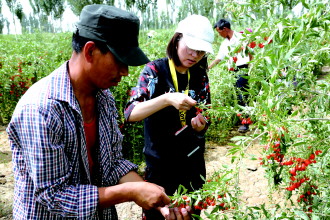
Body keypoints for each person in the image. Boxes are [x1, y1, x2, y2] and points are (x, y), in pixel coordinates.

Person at [6, 5, 191, 220]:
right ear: (90, 51)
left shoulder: (103, 98)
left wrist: (154, 196)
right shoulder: (40, 109)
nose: (125, 72)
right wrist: (130, 192)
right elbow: (54, 196)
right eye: (120, 61)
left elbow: (112, 162)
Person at [124, 14, 214, 219]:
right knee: (160, 214)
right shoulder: (154, 71)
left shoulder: (199, 75)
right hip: (160, 165)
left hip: (192, 163)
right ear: (177, 39)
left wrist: (200, 125)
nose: (194, 55)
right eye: (190, 47)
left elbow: (206, 112)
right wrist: (166, 99)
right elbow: (130, 114)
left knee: (190, 214)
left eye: (201, 52)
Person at [208, 19, 253, 133]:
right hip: (232, 71)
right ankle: (243, 120)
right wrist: (208, 68)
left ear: (225, 29)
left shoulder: (241, 37)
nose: (219, 34)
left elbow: (250, 52)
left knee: (242, 95)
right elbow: (219, 58)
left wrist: (252, 66)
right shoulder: (224, 43)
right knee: (238, 96)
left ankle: (245, 123)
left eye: (219, 32)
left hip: (242, 68)